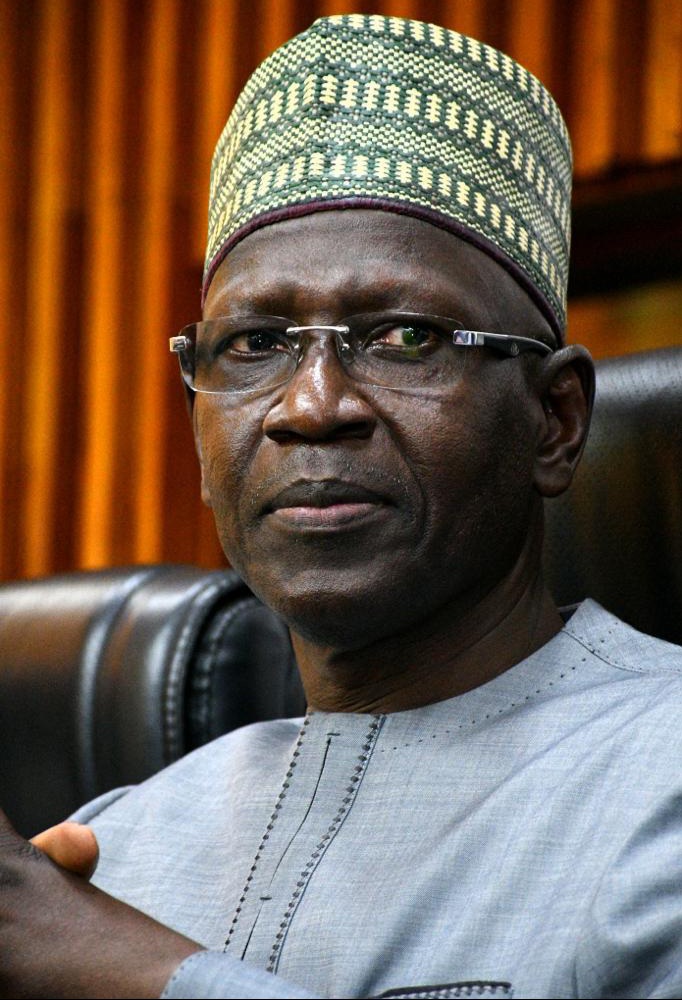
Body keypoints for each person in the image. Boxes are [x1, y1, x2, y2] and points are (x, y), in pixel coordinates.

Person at [2, 13, 682, 1000]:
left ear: (553, 421)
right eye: (254, 344)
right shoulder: (112, 846)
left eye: (405, 337)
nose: (311, 406)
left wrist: (140, 973)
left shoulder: (661, 777)